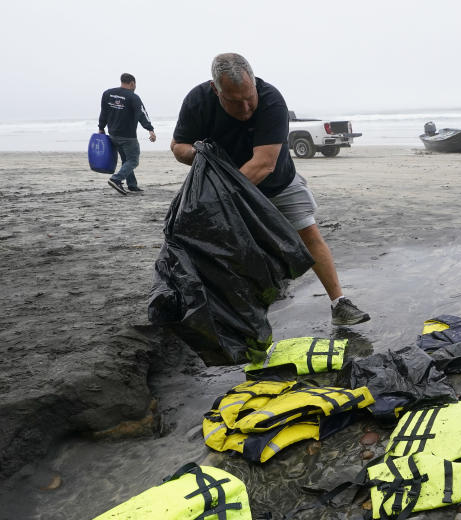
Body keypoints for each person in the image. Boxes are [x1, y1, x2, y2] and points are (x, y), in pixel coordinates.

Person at [170, 53, 369, 326]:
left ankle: (339, 304)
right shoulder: (198, 101)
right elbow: (178, 147)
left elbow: (263, 164)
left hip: (277, 183)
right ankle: (233, 318)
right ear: (216, 90)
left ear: (254, 82)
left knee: (309, 235)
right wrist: (200, 154)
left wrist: (224, 202)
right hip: (224, 189)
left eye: (249, 97)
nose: (245, 108)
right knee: (228, 252)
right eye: (234, 101)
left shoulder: (272, 100)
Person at [98, 73, 156, 195]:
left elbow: (104, 112)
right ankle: (116, 179)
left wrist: (101, 128)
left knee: (126, 160)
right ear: (132, 83)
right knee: (133, 161)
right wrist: (150, 129)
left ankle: (132, 185)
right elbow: (142, 113)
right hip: (128, 136)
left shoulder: (108, 93)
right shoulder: (133, 97)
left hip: (113, 134)